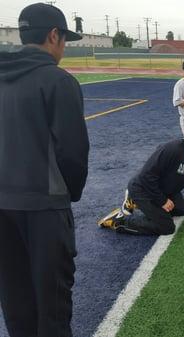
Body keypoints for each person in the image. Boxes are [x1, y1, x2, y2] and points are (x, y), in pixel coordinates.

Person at [0, 3, 89, 336]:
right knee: (52, 309)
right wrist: (70, 194)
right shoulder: (58, 81)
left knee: (16, 305)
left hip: (2, 205)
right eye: (64, 39)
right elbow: (74, 152)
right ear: (54, 35)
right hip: (44, 208)